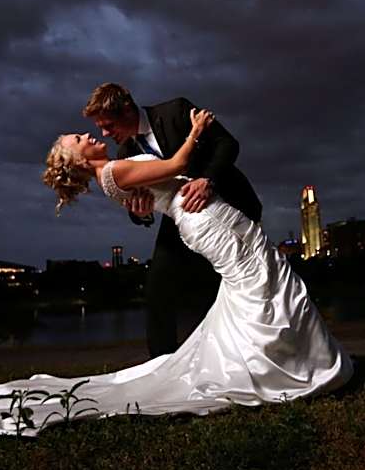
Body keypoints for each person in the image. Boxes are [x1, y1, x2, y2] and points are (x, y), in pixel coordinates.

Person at [0, 109, 353, 436]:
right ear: (79, 160)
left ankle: (284, 363)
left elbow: (157, 185)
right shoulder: (112, 173)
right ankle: (287, 368)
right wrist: (196, 130)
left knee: (258, 284)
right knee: (261, 283)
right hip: (204, 220)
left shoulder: (115, 168)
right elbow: (177, 165)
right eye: (79, 138)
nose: (88, 134)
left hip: (207, 214)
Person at [82, 83, 262, 358]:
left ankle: (230, 353)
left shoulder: (176, 111)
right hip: (180, 217)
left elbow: (227, 144)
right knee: (158, 287)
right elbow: (137, 204)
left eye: (108, 125)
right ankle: (162, 362)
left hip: (226, 203)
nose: (105, 134)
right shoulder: (123, 154)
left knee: (222, 285)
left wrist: (207, 180)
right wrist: (140, 213)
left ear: (127, 109)